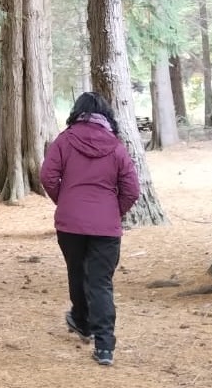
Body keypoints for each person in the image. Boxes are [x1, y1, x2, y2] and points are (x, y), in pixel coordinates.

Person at [40, 91, 140, 367]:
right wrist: (112, 211)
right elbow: (132, 189)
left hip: (71, 223)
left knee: (76, 271)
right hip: (106, 227)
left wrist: (66, 200)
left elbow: (47, 176)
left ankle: (82, 321)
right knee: (100, 282)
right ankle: (104, 345)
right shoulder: (116, 146)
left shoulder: (64, 140)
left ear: (77, 111)